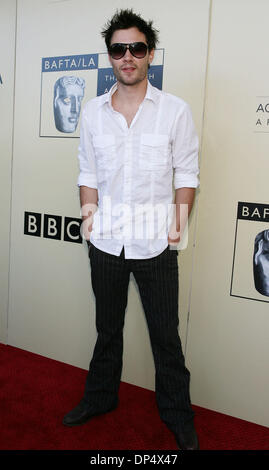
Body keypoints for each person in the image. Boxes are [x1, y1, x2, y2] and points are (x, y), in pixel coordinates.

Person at [63, 9, 200, 450]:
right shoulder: (91, 113)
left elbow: (187, 175)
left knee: (166, 337)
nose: (128, 56)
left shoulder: (175, 111)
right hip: (104, 241)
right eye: (119, 49)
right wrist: (89, 222)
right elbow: (88, 172)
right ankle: (100, 398)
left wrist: (175, 230)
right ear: (109, 57)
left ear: (150, 54)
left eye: (136, 48)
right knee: (107, 329)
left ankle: (178, 415)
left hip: (156, 245)